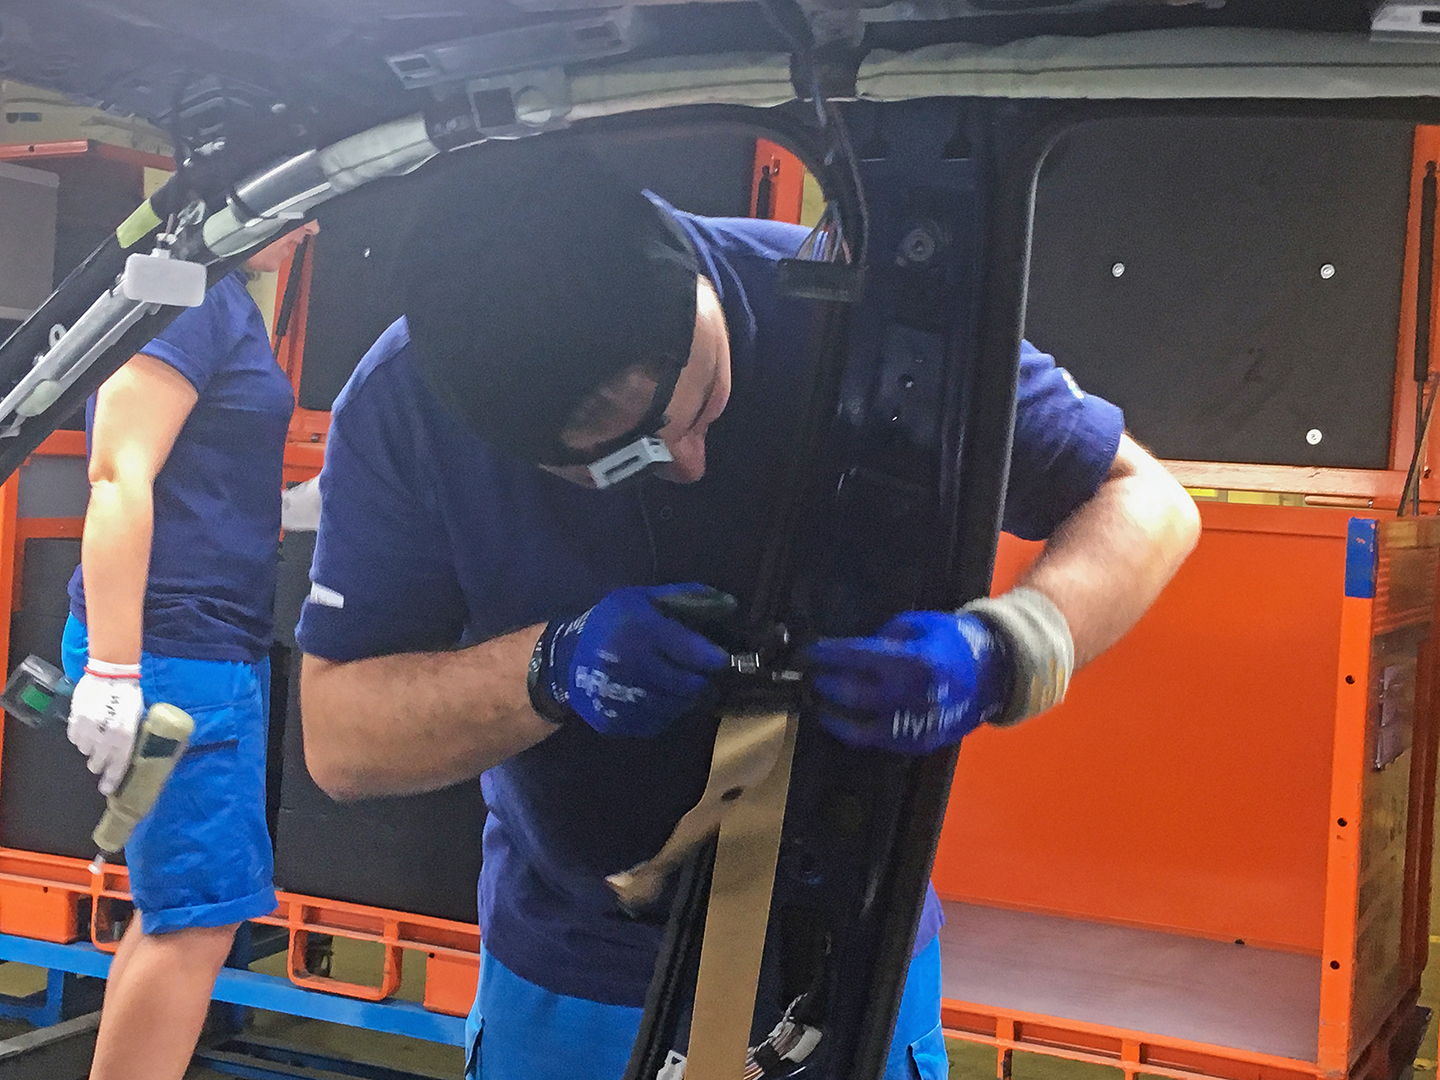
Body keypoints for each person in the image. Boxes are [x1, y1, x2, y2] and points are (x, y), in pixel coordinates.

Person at [295, 145, 1199, 1080]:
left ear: (694, 280)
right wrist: (547, 670)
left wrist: (1007, 647)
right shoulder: (410, 403)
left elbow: (1150, 503)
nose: (686, 463)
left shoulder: (870, 321)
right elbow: (341, 741)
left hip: (856, 959)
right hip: (575, 980)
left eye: (700, 404)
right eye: (624, 461)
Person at [63, 220, 319, 1080]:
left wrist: (290, 505)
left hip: (199, 650)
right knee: (199, 919)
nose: (312, 222)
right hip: (173, 658)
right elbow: (117, 474)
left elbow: (193, 470)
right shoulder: (188, 297)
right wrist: (113, 668)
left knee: (176, 911)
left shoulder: (216, 300)